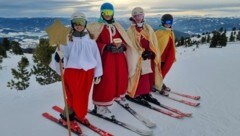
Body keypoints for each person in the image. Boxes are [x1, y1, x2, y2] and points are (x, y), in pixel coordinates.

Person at [87, 2, 139, 117]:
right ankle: (100, 105)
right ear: (101, 13)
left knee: (120, 77)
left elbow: (124, 39)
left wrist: (123, 46)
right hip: (105, 59)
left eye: (109, 12)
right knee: (105, 80)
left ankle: (119, 96)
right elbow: (91, 43)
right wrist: (105, 47)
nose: (107, 15)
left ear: (113, 13)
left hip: (119, 58)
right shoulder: (95, 26)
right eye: (104, 12)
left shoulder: (117, 25)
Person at [50, 12, 103, 123]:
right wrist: (59, 58)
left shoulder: (90, 40)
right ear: (72, 24)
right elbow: (62, 56)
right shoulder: (67, 40)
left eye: (82, 22)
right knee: (74, 96)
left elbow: (96, 57)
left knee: (83, 96)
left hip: (88, 73)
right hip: (73, 73)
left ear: (85, 23)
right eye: (76, 23)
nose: (79, 25)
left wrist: (98, 73)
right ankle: (67, 116)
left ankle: (80, 114)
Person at [126, 7, 164, 104]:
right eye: (136, 16)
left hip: (147, 56)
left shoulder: (148, 28)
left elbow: (153, 41)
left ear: (143, 15)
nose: (138, 17)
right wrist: (140, 53)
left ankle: (145, 92)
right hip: (137, 57)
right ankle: (135, 93)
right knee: (137, 75)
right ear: (133, 17)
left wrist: (151, 52)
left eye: (140, 15)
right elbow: (131, 45)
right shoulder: (131, 30)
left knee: (146, 74)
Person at [154, 14, 176, 94]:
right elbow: (154, 45)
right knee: (158, 71)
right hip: (160, 57)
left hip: (166, 57)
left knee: (164, 71)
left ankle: (160, 83)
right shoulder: (159, 32)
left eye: (170, 22)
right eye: (167, 22)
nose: (168, 23)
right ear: (163, 22)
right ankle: (157, 85)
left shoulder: (170, 32)